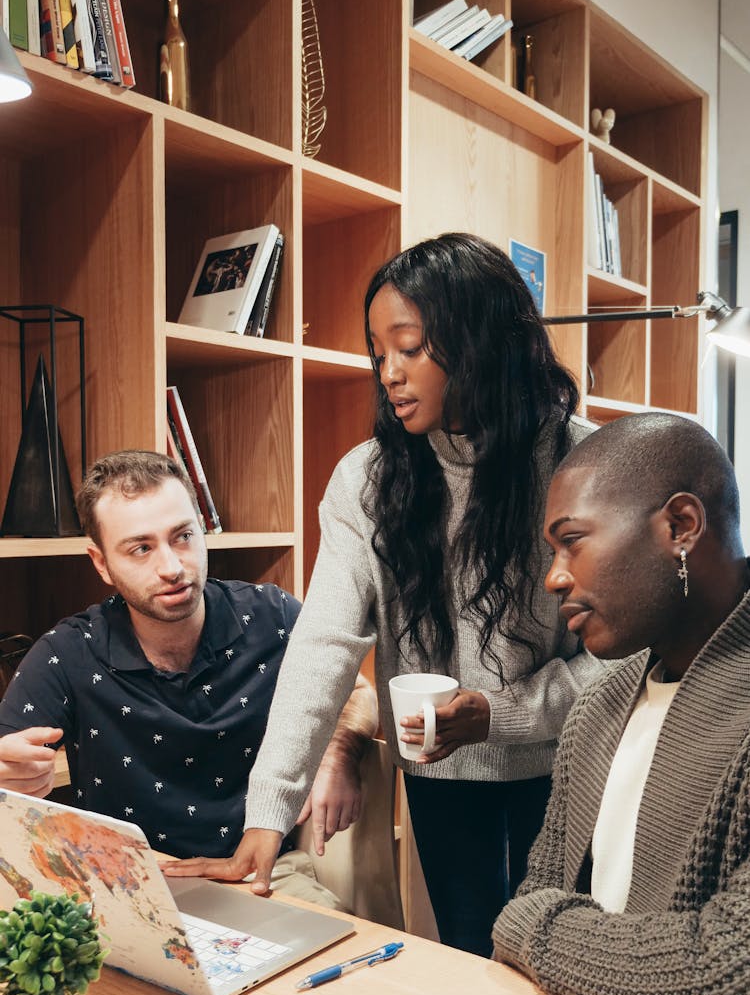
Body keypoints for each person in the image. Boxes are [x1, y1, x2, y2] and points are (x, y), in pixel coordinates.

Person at [166, 233, 604, 956]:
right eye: (379, 353)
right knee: (471, 951)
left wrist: (502, 713)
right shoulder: (367, 481)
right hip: (441, 772)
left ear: (481, 343)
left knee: (564, 958)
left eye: (411, 347)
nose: (390, 374)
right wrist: (267, 818)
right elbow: (323, 647)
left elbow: (623, 658)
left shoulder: (583, 464)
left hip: (569, 760)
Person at [492, 411, 750, 995]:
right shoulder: (599, 711)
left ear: (680, 527)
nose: (553, 578)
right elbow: (531, 901)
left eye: (572, 542)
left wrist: (536, 932)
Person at [0, 451, 377, 895]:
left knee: (343, 950)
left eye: (182, 537)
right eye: (141, 548)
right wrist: (9, 773)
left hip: (266, 871)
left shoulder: (272, 615)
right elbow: (8, 754)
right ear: (101, 563)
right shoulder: (68, 652)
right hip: (128, 883)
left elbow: (356, 691)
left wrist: (339, 753)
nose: (172, 567)